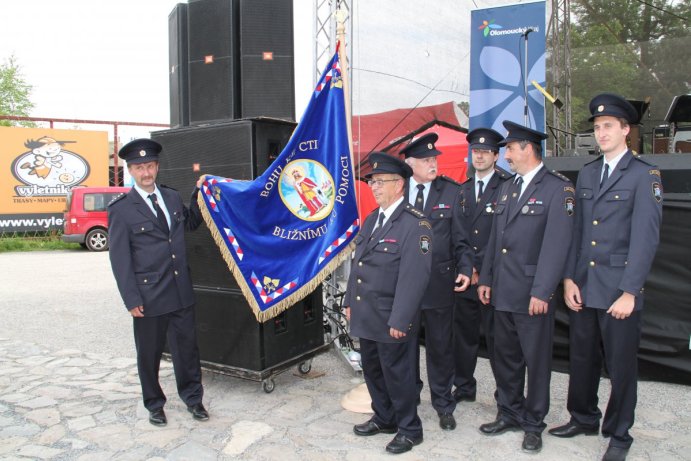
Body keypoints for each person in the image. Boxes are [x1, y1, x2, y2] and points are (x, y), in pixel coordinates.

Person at [548, 94, 663, 461]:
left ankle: (619, 433)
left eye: (608, 126)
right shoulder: (588, 173)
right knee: (581, 357)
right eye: (597, 127)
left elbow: (646, 240)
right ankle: (582, 417)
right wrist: (568, 279)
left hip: (618, 290)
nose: (601, 133)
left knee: (620, 364)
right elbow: (578, 232)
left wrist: (631, 291)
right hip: (584, 285)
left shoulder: (645, 175)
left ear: (626, 130)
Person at [477, 121, 575, 453]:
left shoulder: (557, 189)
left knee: (536, 361)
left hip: (532, 292)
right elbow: (495, 240)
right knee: (505, 357)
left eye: (509, 149)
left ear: (527, 149)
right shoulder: (507, 187)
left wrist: (542, 291)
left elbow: (557, 245)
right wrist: (487, 278)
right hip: (503, 289)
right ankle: (509, 411)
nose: (505, 155)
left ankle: (534, 422)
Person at [108, 138, 209, 427]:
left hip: (180, 290)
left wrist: (200, 194)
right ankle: (154, 404)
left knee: (187, 349)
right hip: (149, 294)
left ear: (157, 166)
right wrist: (131, 299)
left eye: (150, 165)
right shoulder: (122, 209)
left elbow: (189, 223)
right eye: (139, 167)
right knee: (149, 353)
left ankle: (193, 398)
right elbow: (120, 259)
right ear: (130, 170)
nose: (146, 172)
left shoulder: (172, 197)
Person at [345, 152, 432, 455]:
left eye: (380, 182)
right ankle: (384, 417)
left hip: (391, 316)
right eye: (372, 182)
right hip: (367, 312)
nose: (375, 187)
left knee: (399, 374)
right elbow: (359, 264)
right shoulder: (373, 219)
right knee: (372, 370)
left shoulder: (414, 225)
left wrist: (401, 319)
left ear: (400, 184)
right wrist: (348, 301)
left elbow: (414, 278)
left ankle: (410, 428)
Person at [400, 133, 473, 431]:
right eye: (426, 160)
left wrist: (466, 269)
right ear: (410, 163)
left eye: (434, 159)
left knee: (441, 347)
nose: (433, 164)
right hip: (404, 285)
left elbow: (462, 239)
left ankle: (443, 402)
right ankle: (408, 396)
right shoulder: (398, 191)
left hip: (439, 284)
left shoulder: (451, 192)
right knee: (404, 345)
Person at [453, 128, 513, 407]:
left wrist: (482, 270)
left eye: (485, 152)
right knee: (463, 337)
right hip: (467, 277)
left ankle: (506, 397)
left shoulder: (507, 186)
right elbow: (459, 234)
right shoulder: (462, 189)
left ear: (496, 156)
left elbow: (503, 237)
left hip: (495, 279)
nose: (479, 156)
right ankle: (464, 386)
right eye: (475, 151)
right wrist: (469, 268)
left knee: (499, 342)